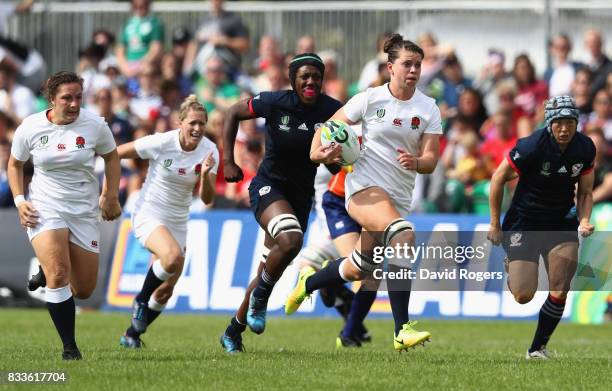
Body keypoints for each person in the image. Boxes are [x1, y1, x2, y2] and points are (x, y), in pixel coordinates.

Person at [285, 34, 442, 352]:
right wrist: (319, 155)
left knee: (361, 267)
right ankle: (402, 330)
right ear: (390, 67)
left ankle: (309, 282)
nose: (413, 70)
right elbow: (325, 130)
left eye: (418, 65)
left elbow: (431, 160)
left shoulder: (428, 108)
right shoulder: (369, 99)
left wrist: (417, 161)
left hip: (397, 197)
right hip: (363, 191)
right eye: (407, 64)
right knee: (403, 236)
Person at [219, 53, 342, 353]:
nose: (311, 81)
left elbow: (340, 162)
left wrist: (335, 159)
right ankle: (261, 299)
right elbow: (232, 113)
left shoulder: (334, 110)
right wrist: (228, 161)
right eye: (305, 76)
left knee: (268, 267)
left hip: (301, 197)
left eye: (316, 76)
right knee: (291, 241)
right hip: (268, 187)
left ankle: (233, 331)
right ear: (293, 80)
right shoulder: (275, 102)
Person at [8, 71, 122, 359]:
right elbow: (14, 165)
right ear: (51, 99)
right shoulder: (30, 127)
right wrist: (20, 201)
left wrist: (109, 195)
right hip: (45, 207)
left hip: (83, 210)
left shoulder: (95, 125)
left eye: (78, 98)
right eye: (66, 98)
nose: (74, 104)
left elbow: (111, 156)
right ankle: (70, 347)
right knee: (60, 274)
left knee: (83, 289)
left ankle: (45, 271)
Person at [487, 95, 596, 359]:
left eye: (570, 122)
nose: (564, 128)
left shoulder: (585, 148)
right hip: (525, 222)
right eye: (559, 122)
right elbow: (498, 178)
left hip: (561, 223)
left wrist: (583, 219)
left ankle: (537, 348)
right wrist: (495, 223)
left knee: (560, 288)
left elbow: (585, 191)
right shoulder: (531, 146)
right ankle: (513, 268)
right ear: (549, 123)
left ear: (576, 123)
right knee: (523, 295)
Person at [118, 95, 218, 348]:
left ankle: (132, 335)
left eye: (201, 124)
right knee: (172, 258)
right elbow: (117, 153)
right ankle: (140, 300)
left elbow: (207, 199)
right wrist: (107, 190)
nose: (197, 129)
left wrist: (205, 177)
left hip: (178, 220)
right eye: (192, 123)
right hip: (149, 212)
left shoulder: (210, 150)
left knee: (165, 290)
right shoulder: (162, 142)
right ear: (180, 122)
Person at [115, 0, 165, 79]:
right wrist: (125, 68)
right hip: (128, 67)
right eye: (135, 5)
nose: (139, 7)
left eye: (143, 4)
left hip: (145, 68)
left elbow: (156, 49)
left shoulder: (155, 23)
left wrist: (139, 67)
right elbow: (120, 49)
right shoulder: (127, 23)